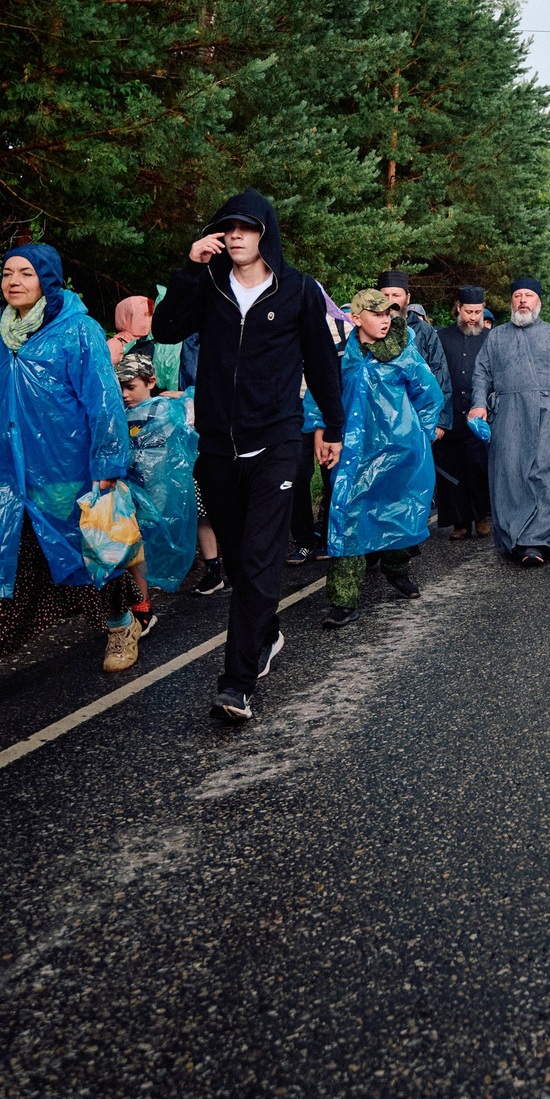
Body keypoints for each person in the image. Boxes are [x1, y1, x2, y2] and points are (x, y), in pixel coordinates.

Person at [152, 190, 346, 723]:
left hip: (277, 442)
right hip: (217, 446)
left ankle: (236, 683)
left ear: (265, 233)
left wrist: (334, 425)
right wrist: (189, 269)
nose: (235, 235)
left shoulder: (299, 290)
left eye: (246, 227)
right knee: (239, 563)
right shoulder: (209, 286)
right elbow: (165, 330)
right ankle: (265, 631)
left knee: (261, 558)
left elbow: (322, 360)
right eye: (226, 227)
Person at [0, 244, 133, 712]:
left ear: (47, 281)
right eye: (7, 273)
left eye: (26, 273)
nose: (14, 281)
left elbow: (103, 400)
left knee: (87, 553)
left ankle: (120, 626)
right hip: (2, 473)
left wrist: (108, 466)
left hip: (63, 471)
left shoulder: (78, 330)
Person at [309, 288, 444, 626]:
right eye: (377, 314)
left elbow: (429, 396)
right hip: (353, 451)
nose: (385, 320)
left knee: (396, 512)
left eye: (389, 314)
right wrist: (319, 433)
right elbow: (319, 396)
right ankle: (344, 600)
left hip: (399, 451)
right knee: (347, 517)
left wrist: (421, 440)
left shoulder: (404, 353)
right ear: (356, 318)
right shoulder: (340, 354)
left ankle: (397, 569)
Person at [470, 277, 550, 568]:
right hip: (506, 414)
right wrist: (479, 404)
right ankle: (514, 538)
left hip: (547, 416)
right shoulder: (496, 336)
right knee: (509, 477)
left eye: (528, 296)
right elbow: (481, 374)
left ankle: (537, 540)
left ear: (538, 302)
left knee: (546, 476)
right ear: (511, 302)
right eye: (517, 295)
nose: (522, 300)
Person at [118, 351, 200, 595]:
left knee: (156, 530)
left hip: (159, 485)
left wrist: (186, 396)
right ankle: (141, 584)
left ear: (151, 382)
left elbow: (195, 412)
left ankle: (147, 584)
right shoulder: (122, 414)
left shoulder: (166, 410)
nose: (124, 394)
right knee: (137, 536)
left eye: (131, 387)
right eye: (121, 387)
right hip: (132, 487)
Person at [434, 286, 492, 538]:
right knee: (451, 469)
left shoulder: (490, 338)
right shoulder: (442, 336)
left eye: (478, 312)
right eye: (468, 311)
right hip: (449, 413)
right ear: (459, 308)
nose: (473, 317)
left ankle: (482, 516)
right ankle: (459, 522)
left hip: (479, 416)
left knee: (478, 466)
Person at [380, 271, 444, 380]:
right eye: (385, 295)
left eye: (396, 295)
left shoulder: (424, 330)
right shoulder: (370, 329)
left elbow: (438, 369)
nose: (390, 301)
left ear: (407, 298)